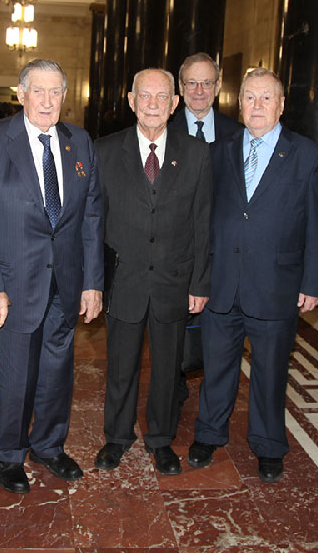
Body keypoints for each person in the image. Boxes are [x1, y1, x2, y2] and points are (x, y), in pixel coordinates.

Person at [0, 58, 103, 494]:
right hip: (12, 285)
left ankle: (48, 445)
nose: (46, 100)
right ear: (20, 94)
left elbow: (91, 216)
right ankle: (10, 454)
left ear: (65, 96)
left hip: (66, 281)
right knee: (15, 375)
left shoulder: (79, 141)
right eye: (37, 91)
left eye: (55, 91)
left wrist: (92, 282)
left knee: (57, 372)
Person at [188, 68, 318, 483]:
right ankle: (209, 433)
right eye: (249, 97)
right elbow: (203, 219)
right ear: (238, 103)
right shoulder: (218, 152)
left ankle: (268, 445)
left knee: (270, 373)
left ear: (281, 105)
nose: (257, 106)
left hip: (276, 286)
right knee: (217, 367)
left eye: (266, 98)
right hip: (222, 283)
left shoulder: (307, 155)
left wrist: (313, 282)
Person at [93, 68, 211, 476]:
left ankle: (161, 440)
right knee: (120, 366)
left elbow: (202, 222)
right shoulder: (105, 151)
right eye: (145, 95)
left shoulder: (196, 153)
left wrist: (200, 282)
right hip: (123, 280)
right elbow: (94, 223)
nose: (153, 104)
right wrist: (94, 283)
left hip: (174, 280)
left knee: (167, 369)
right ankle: (116, 437)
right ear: (131, 100)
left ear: (175, 103)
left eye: (162, 97)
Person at [167, 52, 240, 385]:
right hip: (174, 257)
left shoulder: (238, 134)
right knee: (172, 344)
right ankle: (173, 398)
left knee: (220, 341)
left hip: (223, 256)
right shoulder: (162, 130)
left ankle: (214, 404)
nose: (199, 91)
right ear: (181, 87)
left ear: (218, 86)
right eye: (192, 83)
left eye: (206, 83)